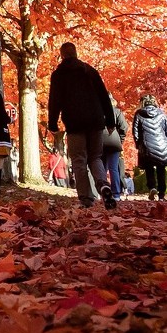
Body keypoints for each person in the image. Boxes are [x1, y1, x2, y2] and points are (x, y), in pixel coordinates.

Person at [46, 42, 119, 209]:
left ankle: (86, 198)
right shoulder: (90, 71)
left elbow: (54, 101)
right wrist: (110, 121)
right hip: (95, 121)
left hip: (74, 123)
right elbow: (104, 96)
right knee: (95, 157)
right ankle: (102, 184)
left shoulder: (58, 75)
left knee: (79, 160)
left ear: (62, 55)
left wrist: (52, 123)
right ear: (76, 53)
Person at [132, 93, 167, 201]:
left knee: (149, 168)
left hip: (147, 145)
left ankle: (152, 187)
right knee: (161, 169)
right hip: (162, 144)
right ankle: (162, 194)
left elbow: (135, 132)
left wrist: (139, 145)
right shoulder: (162, 113)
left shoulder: (139, 114)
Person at [101, 92, 128, 201]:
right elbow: (124, 127)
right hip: (113, 142)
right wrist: (120, 140)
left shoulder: (97, 112)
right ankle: (116, 194)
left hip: (100, 142)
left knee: (101, 169)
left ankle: (101, 190)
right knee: (114, 169)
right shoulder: (117, 112)